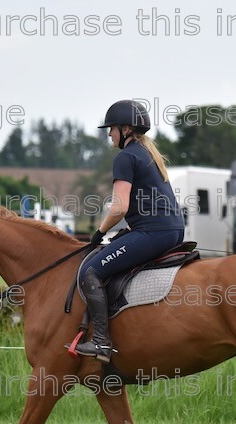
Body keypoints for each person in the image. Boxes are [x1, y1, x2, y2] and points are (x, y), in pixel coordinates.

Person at [73, 99, 185, 363]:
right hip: (173, 231)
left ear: (124, 129)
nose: (108, 134)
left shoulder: (125, 157)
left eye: (110, 128)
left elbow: (119, 207)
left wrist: (98, 233)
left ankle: (101, 342)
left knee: (91, 272)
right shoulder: (147, 154)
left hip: (153, 233)